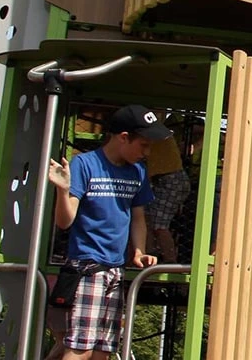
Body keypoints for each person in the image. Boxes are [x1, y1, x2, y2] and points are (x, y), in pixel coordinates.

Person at [48, 104, 171, 360]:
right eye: (144, 145)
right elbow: (64, 221)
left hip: (115, 270)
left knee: (104, 350)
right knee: (80, 348)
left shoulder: (137, 171)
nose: (147, 152)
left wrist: (139, 250)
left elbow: (138, 217)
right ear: (123, 137)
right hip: (87, 268)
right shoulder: (85, 164)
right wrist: (62, 190)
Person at [144, 134, 191, 263]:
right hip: (164, 179)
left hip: (171, 180)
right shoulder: (157, 133)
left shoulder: (154, 135)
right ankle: (150, 254)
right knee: (147, 217)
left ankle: (170, 262)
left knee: (159, 224)